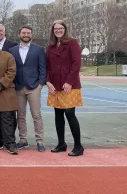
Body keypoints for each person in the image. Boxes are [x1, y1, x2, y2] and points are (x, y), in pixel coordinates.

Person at [46, 20, 84, 157]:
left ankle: (78, 146)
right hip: (55, 85)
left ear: (65, 29)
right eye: (55, 28)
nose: (58, 30)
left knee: (69, 113)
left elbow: (76, 63)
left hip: (69, 85)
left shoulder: (72, 43)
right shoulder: (50, 47)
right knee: (58, 114)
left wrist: (69, 82)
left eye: (60, 28)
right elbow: (48, 66)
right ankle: (61, 144)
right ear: (53, 31)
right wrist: (48, 82)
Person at [8, 25, 47, 152]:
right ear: (19, 34)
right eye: (23, 33)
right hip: (18, 87)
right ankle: (23, 140)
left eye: (28, 33)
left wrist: (40, 84)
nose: (26, 35)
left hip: (34, 87)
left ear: (31, 35)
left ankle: (39, 141)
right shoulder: (12, 50)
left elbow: (43, 68)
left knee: (36, 115)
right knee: (20, 115)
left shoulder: (38, 50)